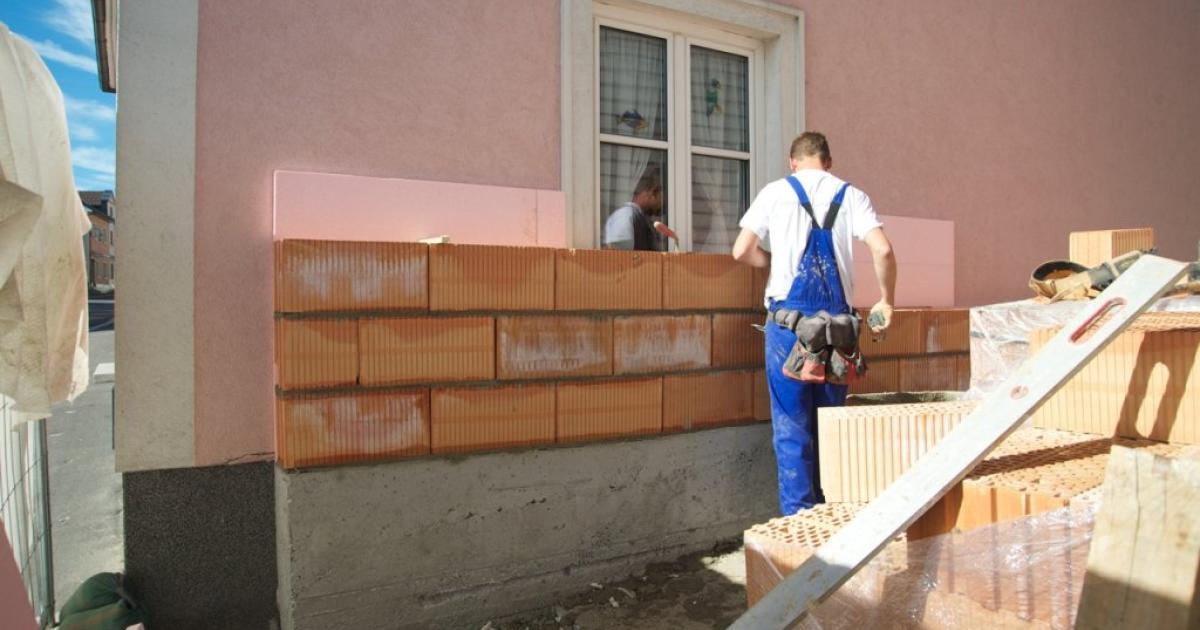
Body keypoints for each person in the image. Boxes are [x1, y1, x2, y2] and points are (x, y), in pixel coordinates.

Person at [732, 131, 897, 515]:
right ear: (829, 162)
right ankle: (831, 517)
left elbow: (741, 251)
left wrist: (770, 263)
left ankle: (799, 524)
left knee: (792, 428)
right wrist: (887, 300)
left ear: (793, 162)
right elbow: (883, 250)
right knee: (830, 427)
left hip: (788, 328)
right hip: (838, 330)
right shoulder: (851, 195)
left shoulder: (775, 192)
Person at [603, 176, 669, 251]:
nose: (656, 213)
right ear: (652, 193)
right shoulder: (626, 215)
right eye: (660, 208)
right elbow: (617, 250)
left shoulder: (634, 215)